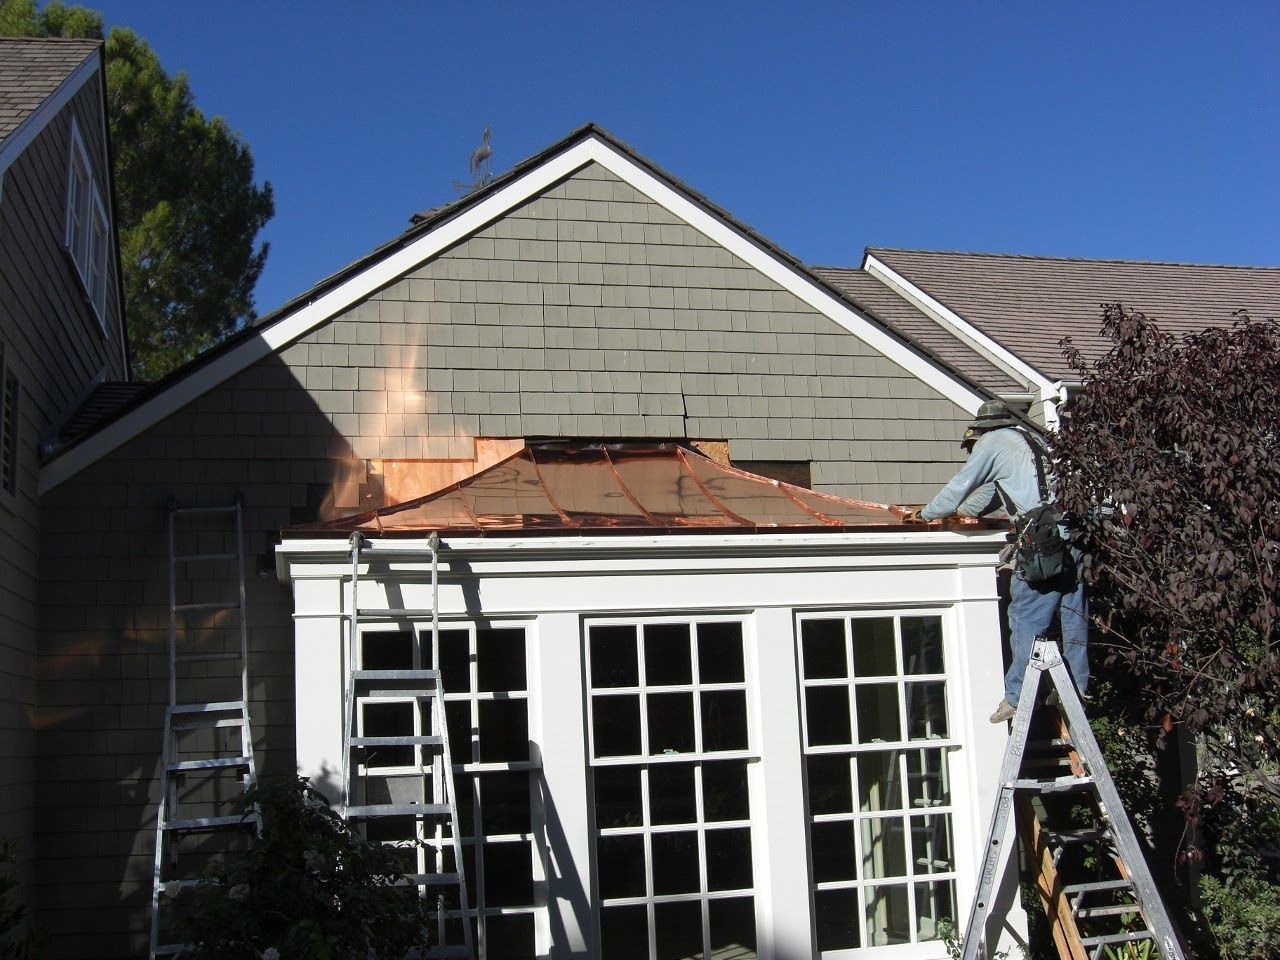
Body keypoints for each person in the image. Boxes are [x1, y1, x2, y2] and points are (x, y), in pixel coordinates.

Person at [904, 400, 1088, 723]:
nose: (972, 453)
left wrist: (926, 513)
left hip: (1040, 541)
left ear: (981, 433)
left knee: (1024, 615)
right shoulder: (1031, 443)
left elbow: (959, 486)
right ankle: (1076, 691)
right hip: (1069, 535)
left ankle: (1016, 698)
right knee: (1072, 615)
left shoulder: (991, 443)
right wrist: (963, 514)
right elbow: (989, 495)